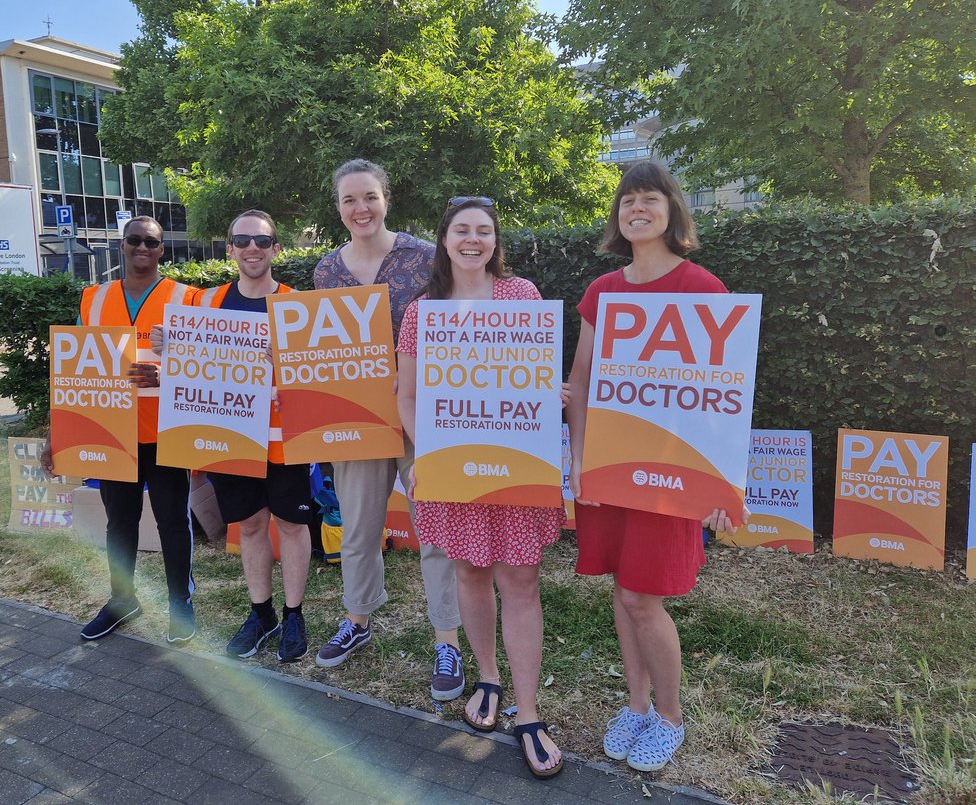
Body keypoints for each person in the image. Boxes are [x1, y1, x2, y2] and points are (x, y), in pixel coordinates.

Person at [565, 162, 739, 773]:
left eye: (650, 199)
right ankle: (636, 705)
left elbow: (722, 400)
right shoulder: (602, 292)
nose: (637, 209)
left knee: (643, 596)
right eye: (627, 200)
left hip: (671, 478)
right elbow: (582, 383)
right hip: (610, 473)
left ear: (671, 210)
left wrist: (719, 488)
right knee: (622, 587)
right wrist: (579, 460)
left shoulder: (704, 289)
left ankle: (669, 718)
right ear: (617, 215)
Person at [396, 197, 568, 779]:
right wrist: (429, 453)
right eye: (462, 231)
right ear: (444, 240)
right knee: (468, 571)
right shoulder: (423, 313)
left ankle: (529, 712)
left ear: (495, 241)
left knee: (519, 580)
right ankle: (488, 678)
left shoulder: (522, 296)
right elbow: (409, 396)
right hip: (451, 468)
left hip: (514, 466)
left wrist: (556, 396)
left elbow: (537, 382)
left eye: (484, 231)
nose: (473, 240)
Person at [311, 159, 464, 703]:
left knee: (436, 525)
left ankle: (446, 638)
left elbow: (458, 323)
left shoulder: (427, 257)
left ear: (386, 198)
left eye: (370, 197)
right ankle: (358, 618)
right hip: (355, 419)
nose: (361, 209)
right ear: (338, 207)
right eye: (350, 200)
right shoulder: (326, 272)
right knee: (357, 529)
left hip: (422, 412)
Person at [40, 215, 201, 645]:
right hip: (111, 432)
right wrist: (57, 435)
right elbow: (74, 374)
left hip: (166, 430)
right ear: (122, 246)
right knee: (119, 522)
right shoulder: (93, 298)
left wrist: (167, 373)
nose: (142, 248)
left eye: (151, 241)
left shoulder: (189, 299)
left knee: (172, 521)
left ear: (162, 249)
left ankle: (179, 603)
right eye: (135, 240)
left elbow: (208, 367)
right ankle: (121, 600)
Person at [190, 209, 314, 663]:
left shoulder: (298, 305)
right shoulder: (204, 305)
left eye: (262, 241)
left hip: (285, 438)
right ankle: (261, 614)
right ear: (230, 249)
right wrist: (167, 346)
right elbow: (185, 368)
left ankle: (294, 614)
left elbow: (317, 377)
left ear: (276, 249)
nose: (252, 249)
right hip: (231, 435)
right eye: (242, 240)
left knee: (292, 525)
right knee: (252, 525)